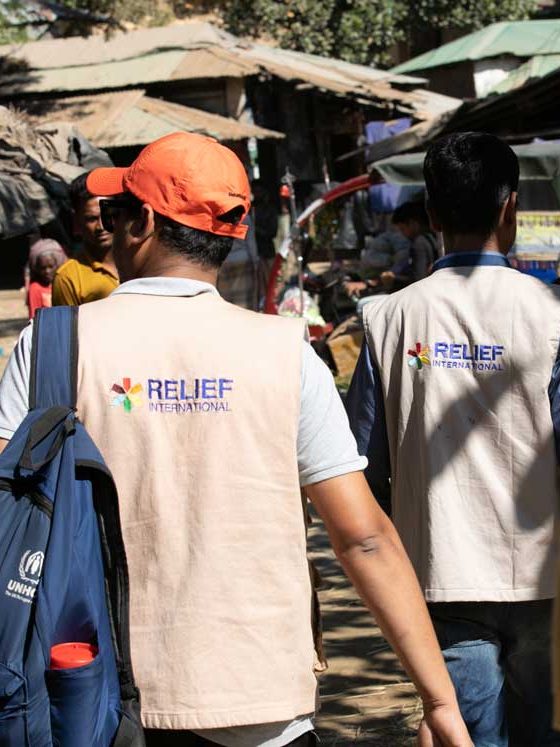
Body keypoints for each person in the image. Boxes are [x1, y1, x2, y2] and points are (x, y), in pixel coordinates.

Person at [0, 132, 470, 747]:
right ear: (230, 232)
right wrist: (439, 699)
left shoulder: (53, 344)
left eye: (116, 213)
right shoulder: (285, 352)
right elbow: (364, 539)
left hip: (93, 696)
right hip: (260, 698)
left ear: (141, 220)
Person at [346, 131, 560, 746]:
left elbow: (365, 470)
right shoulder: (550, 316)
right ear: (510, 208)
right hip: (544, 579)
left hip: (439, 576)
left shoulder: (390, 318)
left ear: (433, 214)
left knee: (466, 734)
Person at [52, 173, 119, 305]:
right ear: (77, 220)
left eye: (108, 215)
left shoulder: (143, 261)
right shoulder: (68, 277)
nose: (101, 226)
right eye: (91, 219)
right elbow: (66, 325)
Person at [26, 238, 66, 318]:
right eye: (43, 268)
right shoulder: (35, 288)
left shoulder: (63, 284)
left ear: (57, 265)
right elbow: (34, 318)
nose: (47, 271)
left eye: (51, 266)